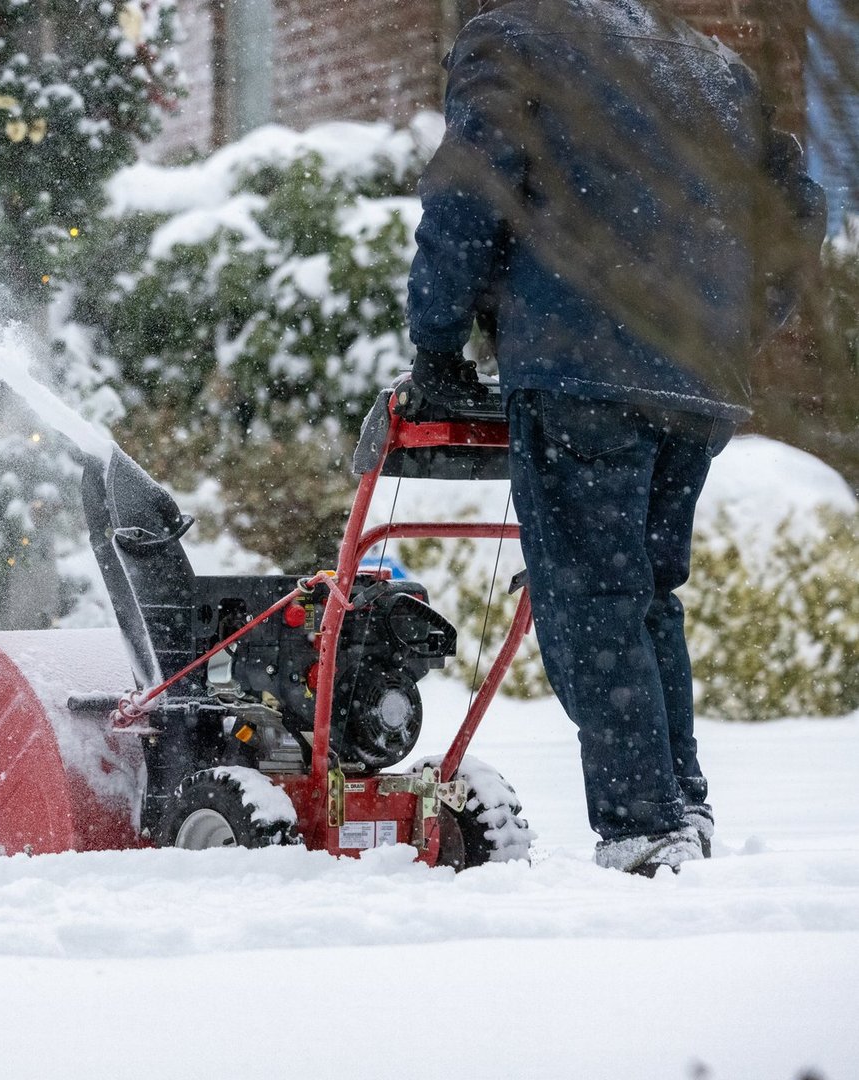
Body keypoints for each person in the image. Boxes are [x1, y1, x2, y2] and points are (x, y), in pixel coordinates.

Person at [406, 0, 826, 875]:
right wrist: (729, 330)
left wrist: (438, 342)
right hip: (694, 377)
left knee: (592, 598)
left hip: (579, 365)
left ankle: (643, 830)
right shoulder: (707, 65)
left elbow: (469, 188)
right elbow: (793, 214)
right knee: (644, 592)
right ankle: (681, 808)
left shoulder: (513, 38)